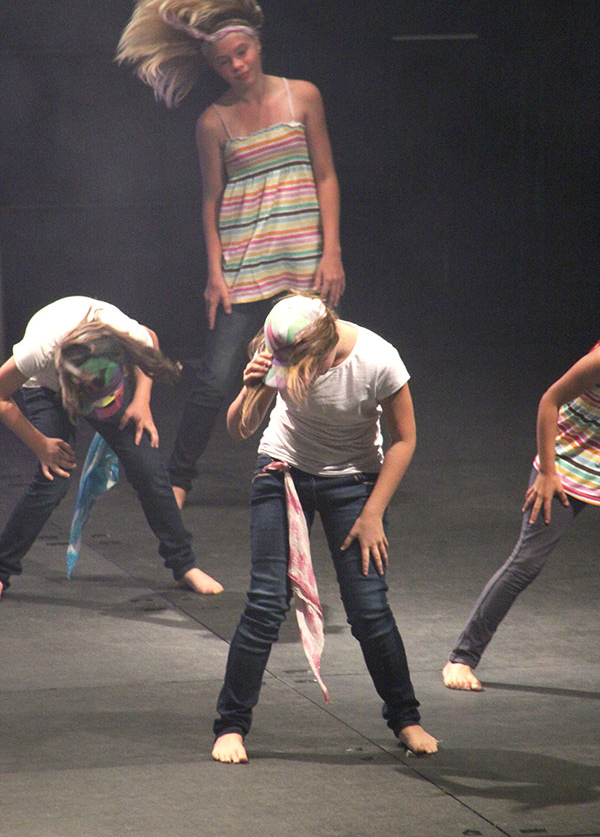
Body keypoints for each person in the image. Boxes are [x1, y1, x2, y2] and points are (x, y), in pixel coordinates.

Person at [116, 0, 345, 508]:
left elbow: (326, 175)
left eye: (241, 53)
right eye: (224, 61)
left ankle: (330, 471)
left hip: (304, 265)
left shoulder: (303, 96)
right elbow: (211, 200)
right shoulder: (212, 121)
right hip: (245, 269)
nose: (236, 65)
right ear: (213, 66)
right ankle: (177, 478)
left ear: (257, 45)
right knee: (215, 379)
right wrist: (215, 274)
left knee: (319, 373)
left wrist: (332, 251)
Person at [210, 293, 438, 762]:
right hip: (282, 469)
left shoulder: (378, 359)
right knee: (265, 602)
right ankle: (231, 725)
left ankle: (406, 718)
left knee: (368, 607)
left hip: (354, 481)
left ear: (324, 345)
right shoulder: (283, 350)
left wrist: (372, 512)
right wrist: (249, 389)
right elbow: (239, 430)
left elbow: (405, 440)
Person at [0, 296, 224, 600]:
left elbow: (149, 340)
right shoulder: (39, 351)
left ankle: (185, 565)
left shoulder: (121, 331)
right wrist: (40, 444)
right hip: (47, 387)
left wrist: (141, 400)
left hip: (100, 377)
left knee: (147, 465)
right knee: (53, 480)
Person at [443, 340, 600, 691]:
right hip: (566, 461)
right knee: (527, 561)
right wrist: (547, 471)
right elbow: (550, 400)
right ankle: (461, 658)